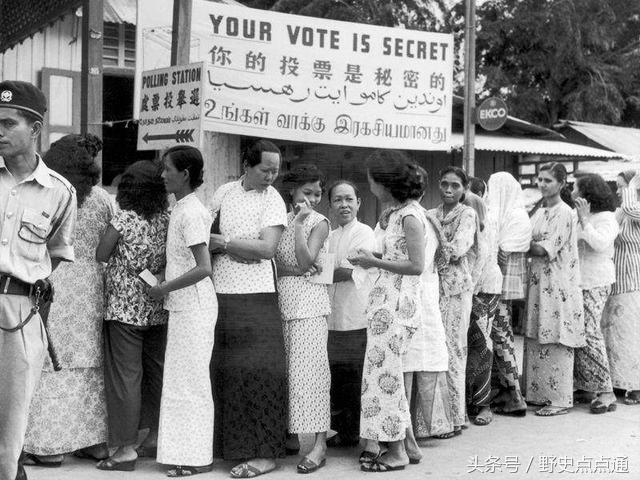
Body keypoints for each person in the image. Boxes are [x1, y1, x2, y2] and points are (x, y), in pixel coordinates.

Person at [0, 80, 76, 480]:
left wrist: (25, 286)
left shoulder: (60, 193)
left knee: (12, 423)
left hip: (19, 314)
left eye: (8, 123)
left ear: (35, 129)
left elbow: (58, 254)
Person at [23, 134, 111, 466]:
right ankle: (93, 442)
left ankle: (48, 447)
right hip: (90, 286)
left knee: (49, 360)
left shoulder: (50, 194)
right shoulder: (102, 200)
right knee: (89, 362)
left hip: (54, 280)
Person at [209, 139, 288, 478]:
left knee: (260, 375)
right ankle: (235, 449)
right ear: (246, 165)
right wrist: (240, 248)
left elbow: (267, 248)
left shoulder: (273, 199)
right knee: (229, 375)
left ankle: (265, 453)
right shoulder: (223, 193)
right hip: (221, 293)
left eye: (275, 170)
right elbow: (207, 240)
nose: (271, 176)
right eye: (265, 169)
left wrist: (228, 244)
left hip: (258, 297)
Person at [349, 149, 426, 473]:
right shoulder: (396, 213)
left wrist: (373, 261)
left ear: (384, 182)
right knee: (384, 374)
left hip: (397, 307)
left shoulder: (410, 216)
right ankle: (408, 443)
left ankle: (396, 452)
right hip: (385, 305)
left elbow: (416, 265)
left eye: (371, 180)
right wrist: (376, 254)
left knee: (385, 378)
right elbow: (397, 254)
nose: (369, 186)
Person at [95, 160, 170, 471]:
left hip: (124, 309)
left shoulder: (124, 218)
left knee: (125, 379)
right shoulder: (168, 218)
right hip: (157, 306)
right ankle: (152, 437)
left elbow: (101, 253)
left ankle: (125, 449)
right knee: (156, 375)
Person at [148, 146, 217, 477]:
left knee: (191, 383)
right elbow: (183, 262)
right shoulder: (181, 208)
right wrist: (165, 281)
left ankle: (196, 457)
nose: (162, 175)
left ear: (185, 174)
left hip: (195, 306)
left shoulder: (190, 212)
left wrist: (163, 287)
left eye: (167, 169)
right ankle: (184, 454)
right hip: (184, 304)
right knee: (179, 381)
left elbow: (204, 268)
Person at [275, 164, 331, 473]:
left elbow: (306, 260)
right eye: (306, 192)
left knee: (312, 375)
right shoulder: (279, 220)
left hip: (309, 305)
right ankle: (292, 436)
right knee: (287, 374)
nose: (312, 198)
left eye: (317, 193)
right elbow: (280, 267)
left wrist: (298, 226)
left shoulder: (318, 222)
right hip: (283, 301)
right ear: (292, 191)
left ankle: (319, 444)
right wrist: (296, 269)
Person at [524, 162, 585, 416]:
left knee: (557, 333)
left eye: (548, 180)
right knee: (538, 332)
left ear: (561, 184)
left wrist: (520, 243)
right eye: (540, 179)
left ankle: (559, 399)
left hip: (558, 282)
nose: (542, 184)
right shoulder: (539, 211)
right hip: (538, 281)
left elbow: (545, 248)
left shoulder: (565, 212)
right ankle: (540, 395)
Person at [402, 172, 452, 451]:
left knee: (419, 355)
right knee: (419, 354)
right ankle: (419, 427)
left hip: (417, 289)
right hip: (422, 290)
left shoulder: (413, 218)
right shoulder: (426, 217)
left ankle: (417, 426)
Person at [426, 166, 477, 436]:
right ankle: (436, 418)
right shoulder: (430, 214)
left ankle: (456, 417)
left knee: (455, 349)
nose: (448, 189)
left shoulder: (467, 214)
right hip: (432, 288)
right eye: (444, 184)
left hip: (456, 290)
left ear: (464, 189)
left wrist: (432, 245)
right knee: (436, 349)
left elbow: (458, 249)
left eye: (455, 185)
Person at [326, 181, 375, 448]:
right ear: (330, 205)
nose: (344, 205)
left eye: (349, 199)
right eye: (337, 200)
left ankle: (355, 432)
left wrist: (319, 271)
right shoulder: (329, 235)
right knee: (338, 378)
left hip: (356, 316)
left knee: (355, 378)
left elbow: (348, 271)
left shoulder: (364, 232)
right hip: (332, 318)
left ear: (359, 203)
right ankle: (343, 432)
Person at [571, 174, 618, 414]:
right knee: (579, 333)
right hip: (578, 280)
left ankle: (607, 391)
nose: (571, 192)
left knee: (590, 333)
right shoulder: (579, 216)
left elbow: (599, 244)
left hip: (596, 280)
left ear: (586, 194)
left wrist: (584, 220)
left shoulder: (606, 218)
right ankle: (587, 385)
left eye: (575, 188)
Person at [485, 172, 531, 416]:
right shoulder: (519, 214)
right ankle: (507, 390)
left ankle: (514, 394)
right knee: (504, 336)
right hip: (509, 285)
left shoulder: (509, 217)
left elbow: (500, 254)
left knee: (501, 337)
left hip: (500, 285)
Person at [601, 170, 640, 405]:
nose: (617, 191)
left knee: (631, 333)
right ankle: (619, 381)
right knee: (614, 333)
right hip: (616, 276)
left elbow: (629, 208)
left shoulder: (633, 210)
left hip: (633, 276)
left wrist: (630, 186)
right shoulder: (619, 212)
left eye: (619, 186)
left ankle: (636, 385)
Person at [464, 191, 503, 426]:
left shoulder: (484, 230)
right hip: (470, 290)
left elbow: (480, 264)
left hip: (484, 289)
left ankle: (483, 404)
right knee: (468, 346)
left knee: (481, 344)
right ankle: (471, 401)